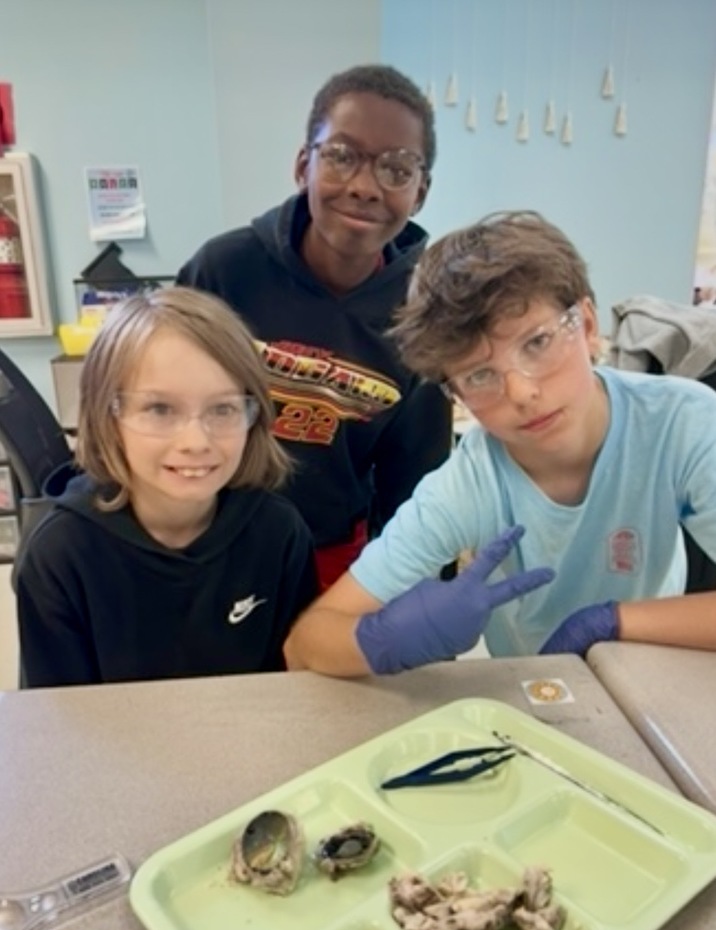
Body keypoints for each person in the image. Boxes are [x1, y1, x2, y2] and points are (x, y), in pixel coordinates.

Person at [283, 210, 716, 677]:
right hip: (529, 682)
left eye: (537, 343)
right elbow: (304, 647)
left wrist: (611, 623)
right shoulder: (467, 488)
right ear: (456, 393)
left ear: (588, 325)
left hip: (650, 657)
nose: (523, 394)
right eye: (479, 375)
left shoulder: (682, 424)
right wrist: (387, 638)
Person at [177, 64, 452, 590]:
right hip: (209, 543)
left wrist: (422, 598)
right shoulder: (223, 271)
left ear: (419, 192)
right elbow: (160, 407)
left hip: (333, 558)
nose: (366, 187)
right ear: (304, 165)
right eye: (342, 156)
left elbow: (416, 481)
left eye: (397, 169)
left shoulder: (424, 311)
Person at [16, 287, 318, 687]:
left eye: (223, 409)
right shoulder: (60, 554)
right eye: (159, 409)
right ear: (108, 415)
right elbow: (56, 721)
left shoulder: (279, 533)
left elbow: (294, 689)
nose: (196, 441)